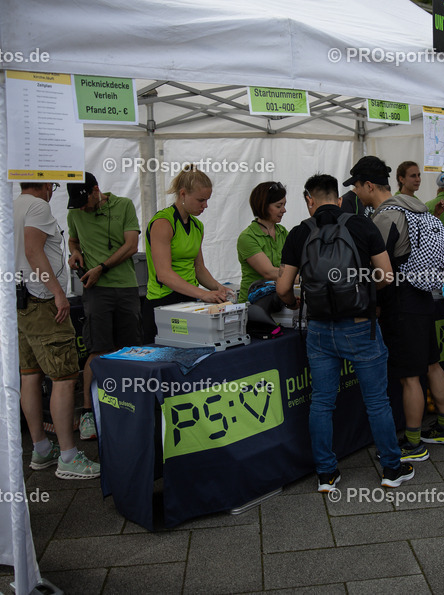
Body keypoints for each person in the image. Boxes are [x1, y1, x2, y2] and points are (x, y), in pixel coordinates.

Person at [276, 174, 414, 490]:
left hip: (319, 329)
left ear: (309, 201)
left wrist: (294, 302)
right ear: (339, 200)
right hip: (360, 326)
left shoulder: (299, 233)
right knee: (377, 401)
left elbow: (283, 287)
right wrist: (365, 292)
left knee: (322, 402)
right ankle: (392, 469)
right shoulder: (363, 226)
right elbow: (386, 276)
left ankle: (327, 474)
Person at [350, 156, 444, 461]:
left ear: (369, 185)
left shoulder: (386, 216)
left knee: (410, 375)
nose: (356, 193)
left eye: (357, 187)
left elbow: (380, 267)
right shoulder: (416, 208)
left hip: (401, 301)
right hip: (425, 295)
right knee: (432, 363)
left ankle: (413, 442)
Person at [15, 181, 100, 480]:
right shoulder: (37, 206)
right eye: (52, 184)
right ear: (43, 184)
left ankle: (40, 448)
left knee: (30, 375)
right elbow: (32, 250)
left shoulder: (13, 205)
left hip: (20, 300)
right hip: (42, 301)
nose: (53, 190)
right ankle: (68, 456)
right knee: (63, 379)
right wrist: (58, 292)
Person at [66, 173, 141, 441]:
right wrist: (74, 252)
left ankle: (130, 404)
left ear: (96, 190)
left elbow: (132, 245)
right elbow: (73, 240)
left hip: (125, 286)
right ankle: (88, 411)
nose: (82, 207)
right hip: (95, 290)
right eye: (76, 203)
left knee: (129, 350)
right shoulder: (75, 212)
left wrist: (102, 267)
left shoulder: (123, 205)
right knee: (98, 349)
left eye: (85, 200)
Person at [143, 167, 234, 340]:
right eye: (201, 200)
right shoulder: (163, 222)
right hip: (162, 302)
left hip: (189, 301)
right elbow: (164, 275)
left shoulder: (197, 226)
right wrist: (203, 294)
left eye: (207, 200)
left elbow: (199, 268)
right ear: (183, 194)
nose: (205, 205)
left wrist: (218, 288)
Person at [236, 181, 288, 302]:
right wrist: (303, 278)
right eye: (278, 206)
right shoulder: (247, 237)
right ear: (263, 206)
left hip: (276, 301)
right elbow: (268, 272)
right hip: (253, 305)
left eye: (284, 205)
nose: (284, 210)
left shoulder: (283, 232)